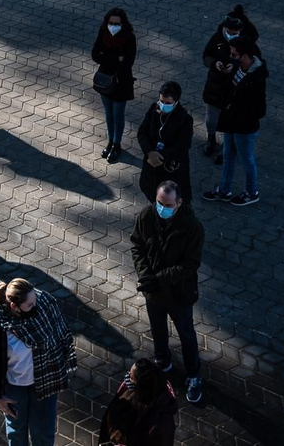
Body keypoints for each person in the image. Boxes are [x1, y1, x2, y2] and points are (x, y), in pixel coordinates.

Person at [0, 280, 77, 446]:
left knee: (44, 434)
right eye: (29, 305)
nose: (36, 307)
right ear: (14, 306)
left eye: (35, 300)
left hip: (47, 382)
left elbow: (61, 333)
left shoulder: (44, 305)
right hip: (15, 387)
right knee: (17, 433)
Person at [130, 181, 205, 405]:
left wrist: (158, 279)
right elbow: (137, 245)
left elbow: (190, 265)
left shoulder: (193, 227)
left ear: (179, 202)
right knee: (158, 329)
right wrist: (145, 275)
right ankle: (163, 361)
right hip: (153, 292)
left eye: (167, 204)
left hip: (179, 294)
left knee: (186, 335)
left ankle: (193, 376)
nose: (162, 208)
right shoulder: (147, 215)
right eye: (159, 202)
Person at [201, 38, 266, 206]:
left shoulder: (256, 79)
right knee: (228, 156)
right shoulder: (238, 67)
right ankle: (224, 189)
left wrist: (239, 113)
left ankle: (252, 192)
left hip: (244, 127)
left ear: (245, 56)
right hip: (231, 122)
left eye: (234, 54)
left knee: (246, 159)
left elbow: (259, 110)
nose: (231, 56)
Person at [199, 5, 257, 159]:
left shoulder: (247, 43)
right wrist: (214, 63)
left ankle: (226, 148)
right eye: (228, 32)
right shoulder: (217, 37)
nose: (230, 36)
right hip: (215, 85)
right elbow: (206, 55)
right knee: (211, 119)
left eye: (234, 34)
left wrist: (236, 66)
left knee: (229, 121)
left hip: (234, 89)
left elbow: (253, 62)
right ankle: (211, 140)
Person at [97, 358, 179, 445]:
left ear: (141, 385)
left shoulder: (161, 421)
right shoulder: (132, 393)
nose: (127, 378)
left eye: (131, 377)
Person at [91, 8, 137, 163]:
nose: (113, 26)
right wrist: (116, 59)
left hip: (121, 82)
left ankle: (117, 144)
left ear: (122, 23)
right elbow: (95, 54)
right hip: (105, 80)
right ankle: (110, 141)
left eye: (116, 23)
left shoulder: (129, 38)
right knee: (108, 113)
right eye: (111, 23)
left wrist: (107, 58)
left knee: (118, 114)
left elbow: (128, 62)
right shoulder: (103, 33)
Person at [135, 83, 193, 203]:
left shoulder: (185, 120)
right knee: (150, 192)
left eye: (167, 103)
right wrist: (150, 152)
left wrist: (161, 156)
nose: (163, 106)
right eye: (161, 101)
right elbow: (142, 132)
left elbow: (183, 146)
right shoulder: (153, 109)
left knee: (168, 200)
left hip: (170, 170)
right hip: (151, 165)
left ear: (176, 102)